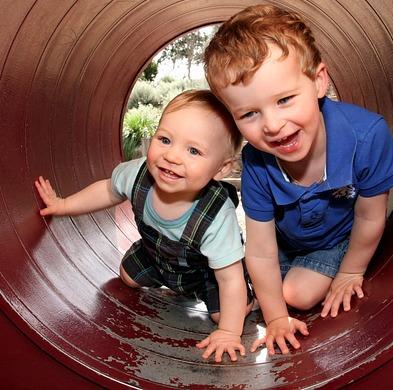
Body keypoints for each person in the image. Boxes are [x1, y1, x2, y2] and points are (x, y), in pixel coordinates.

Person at [203, 4, 393, 356]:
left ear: (318, 81)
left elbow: (370, 215)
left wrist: (350, 272)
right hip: (286, 242)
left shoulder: (366, 136)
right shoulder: (257, 161)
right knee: (234, 293)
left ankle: (323, 269)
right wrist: (276, 319)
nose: (271, 125)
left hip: (336, 239)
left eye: (284, 100)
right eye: (249, 113)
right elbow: (262, 250)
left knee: (296, 293)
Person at [35, 89, 254, 362]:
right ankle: (165, 278)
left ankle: (250, 297)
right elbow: (107, 190)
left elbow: (228, 278)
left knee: (223, 312)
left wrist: (229, 332)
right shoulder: (138, 173)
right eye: (165, 140)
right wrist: (63, 205)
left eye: (193, 150)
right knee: (126, 276)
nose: (172, 156)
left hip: (206, 272)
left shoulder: (215, 216)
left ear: (222, 169)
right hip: (156, 255)